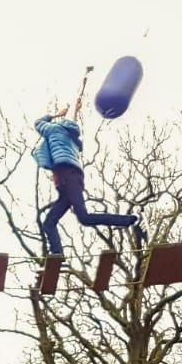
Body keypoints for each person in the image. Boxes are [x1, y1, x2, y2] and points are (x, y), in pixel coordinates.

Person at [33, 110, 142, 258]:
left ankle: (133, 220)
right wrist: (75, 110)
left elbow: (38, 123)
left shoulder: (54, 129)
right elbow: (70, 123)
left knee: (84, 218)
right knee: (49, 223)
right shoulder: (70, 138)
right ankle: (57, 255)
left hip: (70, 179)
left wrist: (55, 114)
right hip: (67, 183)